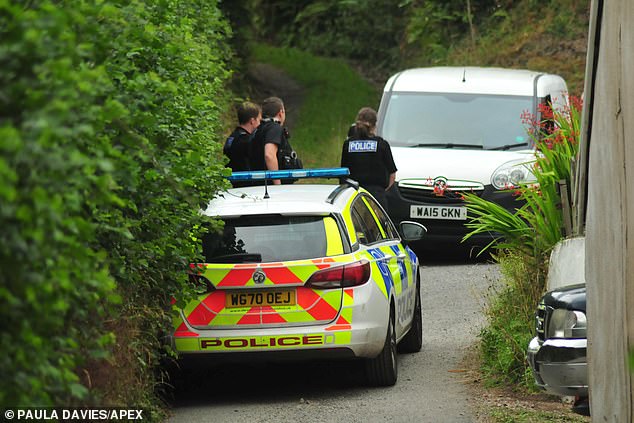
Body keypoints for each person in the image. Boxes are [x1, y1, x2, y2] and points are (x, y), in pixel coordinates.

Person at [340, 107, 397, 212]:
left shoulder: (348, 145)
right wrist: (382, 191)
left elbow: (343, 173)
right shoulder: (381, 145)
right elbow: (392, 174)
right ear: (374, 126)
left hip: (353, 198)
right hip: (377, 199)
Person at [248, 97, 301, 185]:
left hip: (260, 184)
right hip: (272, 189)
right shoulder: (274, 128)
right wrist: (277, 184)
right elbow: (269, 155)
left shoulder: (258, 129)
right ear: (280, 113)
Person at [223, 101, 262, 175]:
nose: (260, 124)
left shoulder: (232, 138)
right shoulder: (247, 141)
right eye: (259, 120)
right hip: (245, 183)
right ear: (252, 121)